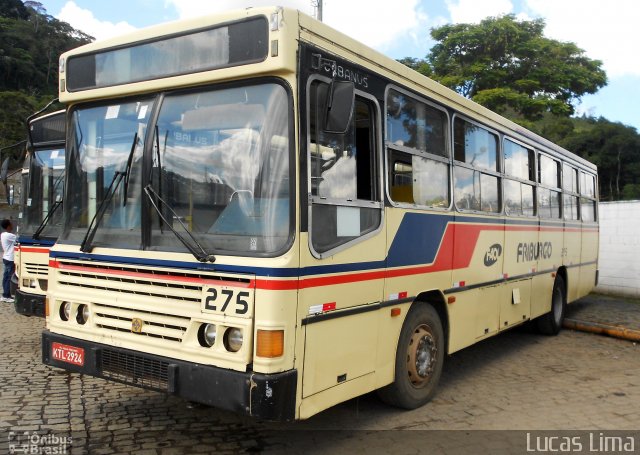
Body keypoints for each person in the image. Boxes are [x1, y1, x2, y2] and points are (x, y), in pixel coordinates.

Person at [1, 219, 16, 303]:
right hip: (10, 258)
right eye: (11, 224)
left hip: (6, 257)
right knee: (8, 278)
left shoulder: (3, 234)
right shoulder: (9, 235)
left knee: (5, 277)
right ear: (8, 226)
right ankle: (7, 295)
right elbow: (19, 238)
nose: (12, 225)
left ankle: (5, 295)